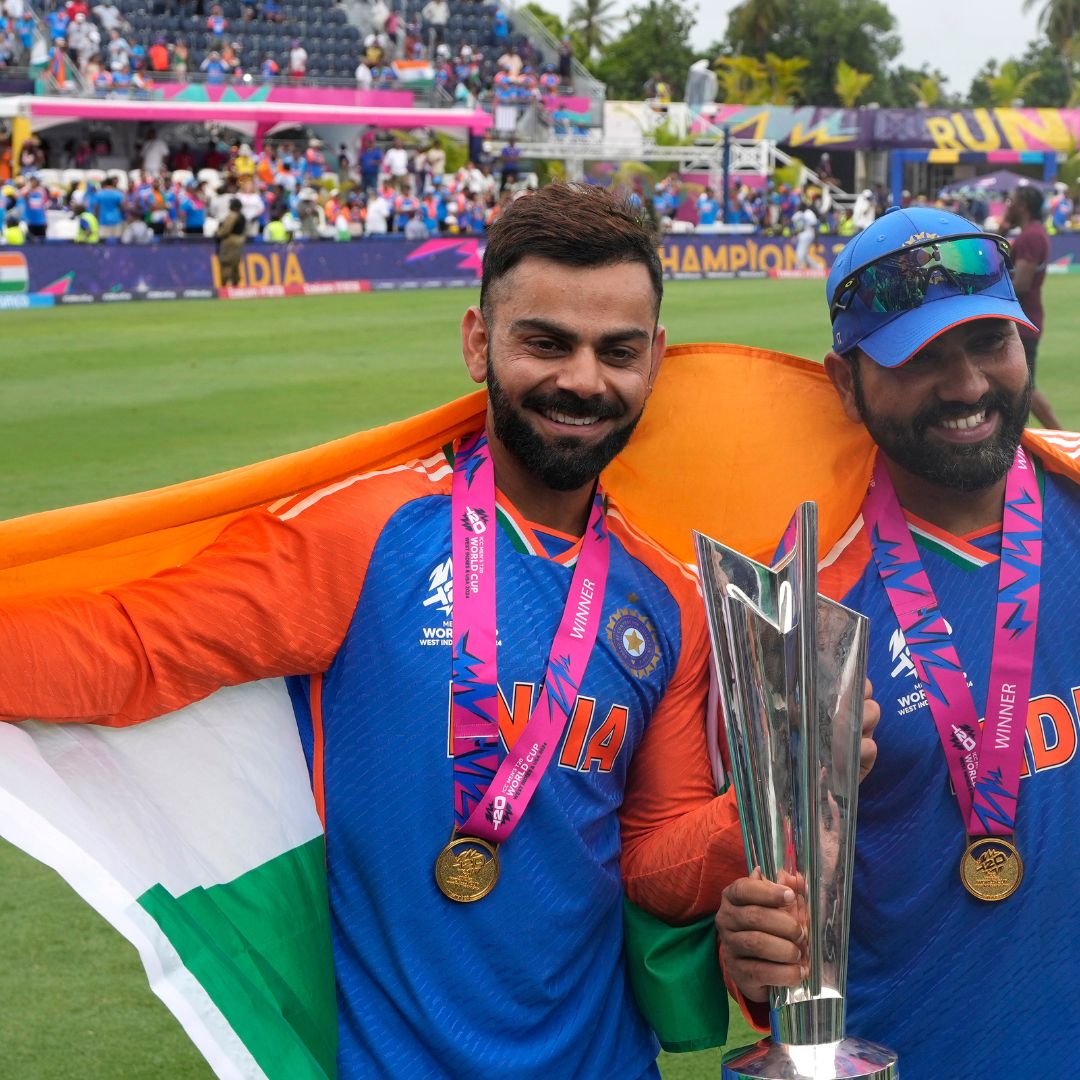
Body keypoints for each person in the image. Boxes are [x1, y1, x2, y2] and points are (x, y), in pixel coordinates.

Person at [0, 182, 880, 1079]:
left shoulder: (667, 599)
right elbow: (133, 650)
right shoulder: (365, 532)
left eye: (616, 351)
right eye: (546, 342)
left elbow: (652, 863)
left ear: (654, 361)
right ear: (477, 342)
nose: (583, 380)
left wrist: (784, 784)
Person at [714, 206, 1080, 1078]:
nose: (967, 385)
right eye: (920, 359)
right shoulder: (796, 604)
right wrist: (752, 942)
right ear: (846, 383)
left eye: (989, 341)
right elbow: (762, 908)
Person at [1004, 184, 1061, 429]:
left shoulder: (1031, 236)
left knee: (1025, 388)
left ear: (1023, 206)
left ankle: (1065, 440)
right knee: (1016, 387)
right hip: (1024, 319)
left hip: (1023, 322)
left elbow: (1021, 284)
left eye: (1011, 201)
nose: (1007, 205)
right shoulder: (1032, 233)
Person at [216, 195, 246, 285]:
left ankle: (225, 283)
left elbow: (225, 230)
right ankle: (235, 283)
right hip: (240, 240)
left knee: (227, 262)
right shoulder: (242, 216)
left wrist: (218, 234)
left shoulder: (232, 215)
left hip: (230, 241)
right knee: (235, 263)